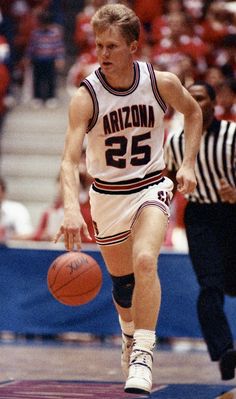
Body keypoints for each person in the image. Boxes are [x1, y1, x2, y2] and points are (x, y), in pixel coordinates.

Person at [55, 3, 202, 395]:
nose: (102, 54)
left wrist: (187, 164)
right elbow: (69, 162)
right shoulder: (86, 96)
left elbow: (193, 112)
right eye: (98, 45)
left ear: (133, 47)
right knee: (123, 288)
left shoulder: (161, 82)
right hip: (106, 196)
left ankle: (143, 354)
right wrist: (72, 209)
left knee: (144, 261)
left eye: (112, 46)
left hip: (151, 185)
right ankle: (128, 335)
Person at [165, 82, 236, 381]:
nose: (195, 103)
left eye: (200, 98)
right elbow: (167, 179)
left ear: (213, 103)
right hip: (199, 218)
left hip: (233, 214)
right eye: (189, 98)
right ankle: (225, 352)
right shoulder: (175, 142)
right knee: (210, 286)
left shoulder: (232, 135)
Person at [0, 176, 33, 241]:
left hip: (9, 250)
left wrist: (6, 237)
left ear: (3, 193)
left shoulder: (17, 210)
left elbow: (28, 235)